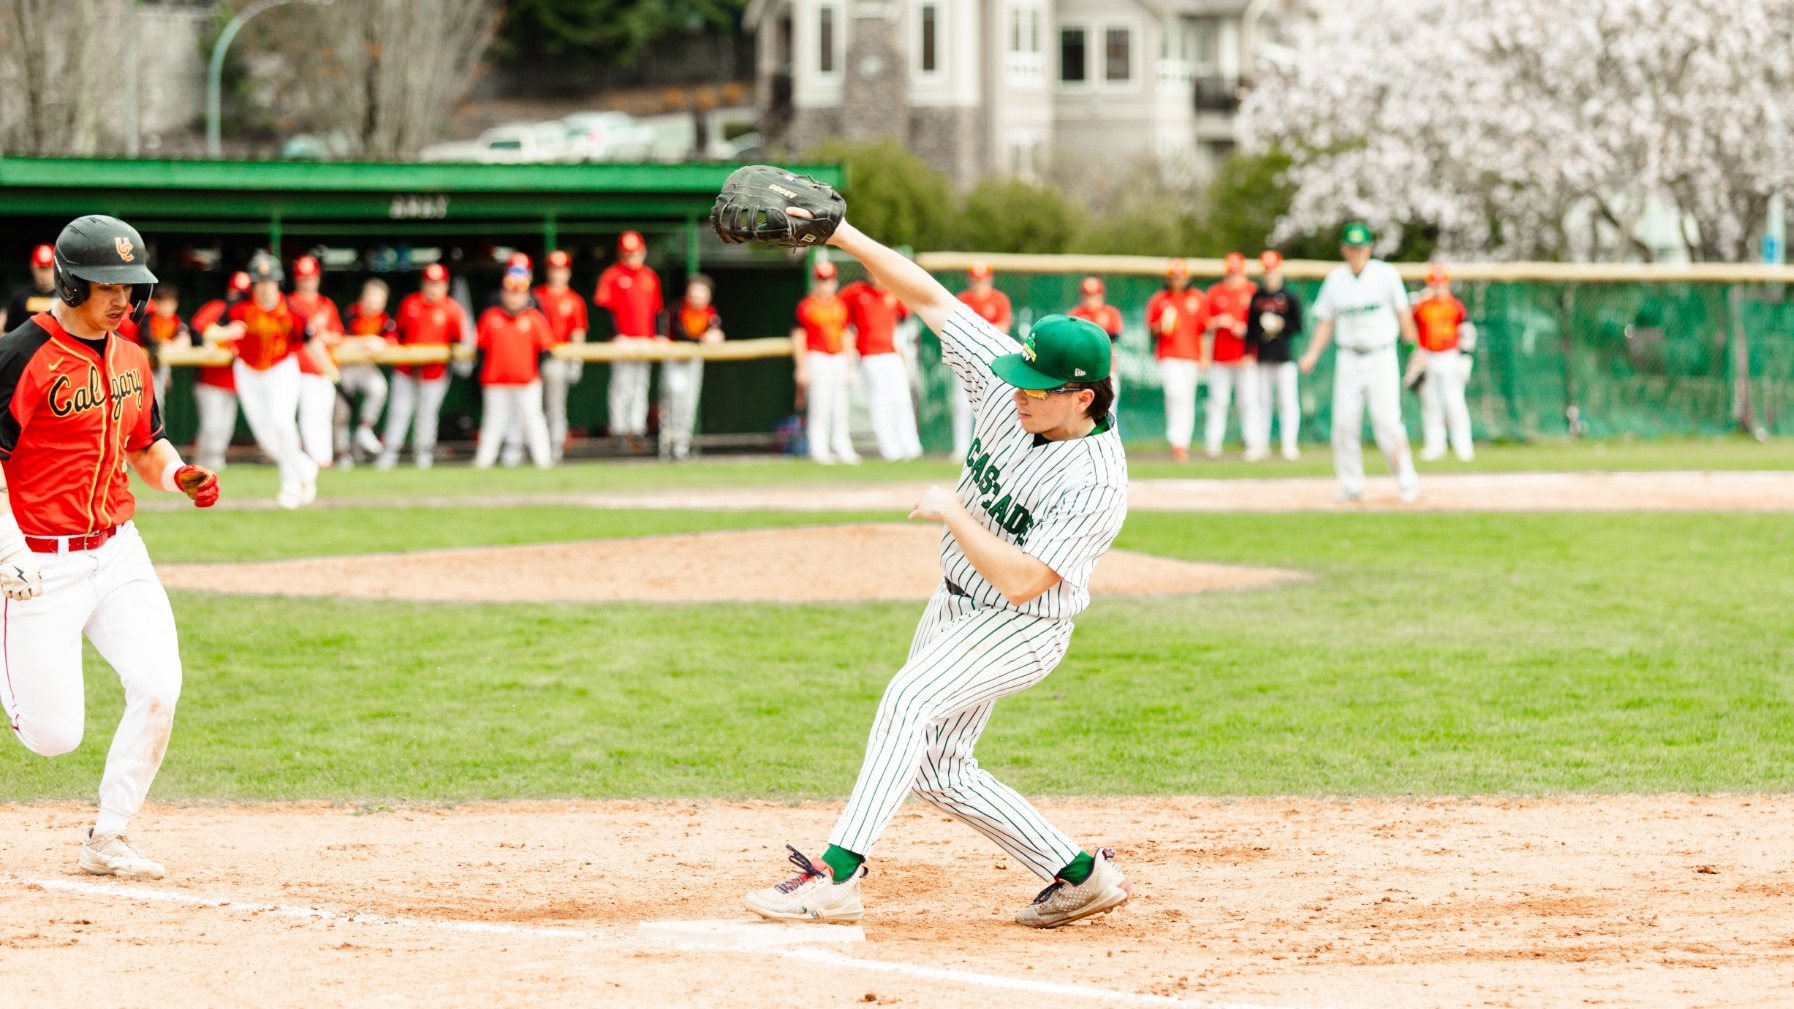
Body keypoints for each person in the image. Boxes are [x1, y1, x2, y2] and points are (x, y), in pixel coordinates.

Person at [739, 203, 1133, 930]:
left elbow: (1025, 581)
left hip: (1022, 623)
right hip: (954, 603)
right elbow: (928, 296)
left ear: (1082, 397)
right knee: (939, 770)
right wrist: (842, 235)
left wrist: (955, 512)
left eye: (1036, 387)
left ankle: (836, 874)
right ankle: (1079, 875)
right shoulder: (1014, 383)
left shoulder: (1096, 481)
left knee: (908, 700)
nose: (1017, 390)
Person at [0, 214, 220, 880]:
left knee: (158, 684)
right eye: (108, 285)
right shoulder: (20, 355)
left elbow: (145, 445)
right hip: (37, 562)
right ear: (70, 284)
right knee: (53, 736)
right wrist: (7, 548)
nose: (124, 298)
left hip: (118, 550)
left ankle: (110, 832)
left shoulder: (131, 358)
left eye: (130, 285)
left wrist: (177, 474)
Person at [1298, 222, 1421, 503]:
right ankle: (1352, 484)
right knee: (1344, 424)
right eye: (1352, 248)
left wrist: (1414, 349)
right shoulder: (1335, 280)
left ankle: (1406, 481)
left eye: (1361, 247)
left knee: (1387, 421)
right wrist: (1312, 353)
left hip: (1381, 355)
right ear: (1344, 249)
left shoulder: (1386, 275)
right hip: (1349, 357)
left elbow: (1403, 314)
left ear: (1370, 248)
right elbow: (1326, 321)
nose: (1357, 253)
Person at [224, 252, 322, 509]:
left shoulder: (291, 310)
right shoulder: (239, 308)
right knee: (267, 439)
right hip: (248, 370)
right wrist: (224, 332)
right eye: (260, 282)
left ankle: (290, 485)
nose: (265, 287)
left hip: (281, 368)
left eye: (269, 281)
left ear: (278, 282)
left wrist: (329, 370)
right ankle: (305, 467)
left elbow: (310, 341)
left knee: (282, 422)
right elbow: (209, 331)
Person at [379, 263, 467, 470]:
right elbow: (396, 332)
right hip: (406, 369)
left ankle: (423, 460)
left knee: (427, 415)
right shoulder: (410, 303)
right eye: (430, 283)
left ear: (445, 285)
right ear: (423, 284)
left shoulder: (453, 309)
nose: (433, 288)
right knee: (399, 413)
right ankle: (388, 458)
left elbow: (458, 341)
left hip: (434, 372)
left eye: (438, 284)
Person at [472, 263, 554, 469]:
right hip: (495, 381)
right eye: (510, 293)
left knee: (534, 420)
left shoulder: (535, 318)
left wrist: (531, 372)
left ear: (526, 295)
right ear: (503, 293)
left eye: (518, 293)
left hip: (527, 381)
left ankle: (544, 462)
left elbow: (545, 351)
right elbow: (480, 350)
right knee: (493, 422)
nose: (514, 298)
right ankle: (483, 463)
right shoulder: (490, 317)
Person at [842, 270, 923, 461]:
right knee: (880, 402)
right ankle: (890, 450)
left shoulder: (892, 292)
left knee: (902, 400)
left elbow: (905, 314)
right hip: (869, 355)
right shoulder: (856, 292)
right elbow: (840, 313)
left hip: (892, 353)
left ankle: (911, 448)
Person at [593, 231, 664, 449]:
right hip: (622, 341)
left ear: (642, 252)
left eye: (634, 253)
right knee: (621, 385)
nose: (631, 257)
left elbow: (657, 310)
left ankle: (637, 429)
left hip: (645, 339)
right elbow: (606, 309)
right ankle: (618, 429)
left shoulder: (650, 276)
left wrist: (658, 335)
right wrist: (616, 335)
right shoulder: (611, 275)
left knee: (640, 385)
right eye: (627, 253)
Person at [791, 260, 858, 464]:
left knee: (840, 405)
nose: (825, 284)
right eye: (821, 279)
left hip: (839, 358)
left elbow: (847, 333)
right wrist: (801, 367)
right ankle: (818, 448)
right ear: (815, 281)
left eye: (828, 279)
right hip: (817, 357)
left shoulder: (841, 304)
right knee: (819, 404)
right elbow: (798, 336)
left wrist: (849, 364)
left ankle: (841, 445)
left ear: (835, 281)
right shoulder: (806, 305)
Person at [1245, 251, 1306, 461]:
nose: (1270, 276)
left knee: (1288, 401)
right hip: (1262, 358)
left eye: (1273, 271)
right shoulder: (1257, 297)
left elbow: (1299, 325)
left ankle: (1289, 444)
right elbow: (1250, 328)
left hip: (1284, 358)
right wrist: (1248, 353)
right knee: (1261, 401)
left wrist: (1282, 324)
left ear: (1279, 272)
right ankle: (1260, 444)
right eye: (1267, 272)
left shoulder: (1289, 296)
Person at [1201, 253, 1262, 460]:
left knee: (1249, 401)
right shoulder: (1215, 292)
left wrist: (1245, 330)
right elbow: (1204, 323)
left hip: (1246, 356)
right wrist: (1220, 321)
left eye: (1237, 273)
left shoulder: (1253, 291)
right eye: (1231, 273)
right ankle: (1213, 443)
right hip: (1220, 357)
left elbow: (1261, 324)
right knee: (1218, 400)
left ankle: (1253, 442)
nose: (1234, 277)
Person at [1411, 262, 1475, 462]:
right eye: (1434, 284)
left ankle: (1463, 446)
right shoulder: (1422, 306)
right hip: (1428, 356)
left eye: (1441, 284)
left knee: (1454, 402)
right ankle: (1435, 446)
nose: (1438, 288)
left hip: (1449, 356)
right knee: (1431, 404)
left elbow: (1467, 332)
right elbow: (1409, 326)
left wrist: (1465, 357)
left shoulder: (1455, 306)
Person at [286, 255, 344, 470]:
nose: (307, 283)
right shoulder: (289, 304)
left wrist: (324, 336)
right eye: (303, 278)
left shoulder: (326, 304)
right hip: (300, 369)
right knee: (308, 416)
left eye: (310, 278)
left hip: (325, 368)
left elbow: (339, 335)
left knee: (324, 416)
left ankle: (324, 458)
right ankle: (314, 459)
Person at [1146, 258, 1207, 462]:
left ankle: (1182, 443)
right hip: (1168, 354)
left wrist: (1204, 356)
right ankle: (1175, 440)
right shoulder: (1159, 299)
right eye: (1174, 277)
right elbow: (1152, 329)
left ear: (1187, 278)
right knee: (1174, 394)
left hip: (1191, 356)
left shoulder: (1198, 298)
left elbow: (1203, 330)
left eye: (1181, 277)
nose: (1178, 280)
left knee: (1187, 398)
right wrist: (1162, 324)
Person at [188, 271, 249, 471]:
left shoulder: (249, 313)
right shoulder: (217, 308)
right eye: (236, 292)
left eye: (243, 294)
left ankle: (216, 465)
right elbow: (196, 332)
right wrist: (212, 342)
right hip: (210, 380)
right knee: (211, 426)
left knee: (225, 428)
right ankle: (201, 465)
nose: (238, 297)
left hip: (234, 381)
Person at [531, 249, 588, 462]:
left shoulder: (574, 300)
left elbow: (578, 333)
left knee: (555, 406)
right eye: (553, 269)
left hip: (557, 359)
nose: (557, 274)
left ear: (568, 272)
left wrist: (577, 361)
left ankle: (555, 448)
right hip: (533, 358)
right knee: (530, 407)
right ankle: (528, 449)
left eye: (561, 270)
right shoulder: (535, 295)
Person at [662, 273, 723, 461]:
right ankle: (665, 448)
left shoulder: (710, 312)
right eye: (693, 292)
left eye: (701, 293)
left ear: (708, 296)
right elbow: (681, 334)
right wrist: (703, 339)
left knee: (688, 404)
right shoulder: (678, 308)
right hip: (675, 359)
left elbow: (715, 333)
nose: (696, 296)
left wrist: (714, 336)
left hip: (694, 360)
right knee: (673, 402)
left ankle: (682, 448)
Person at [954, 262, 1013, 458]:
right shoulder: (962, 299)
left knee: (994, 404)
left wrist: (976, 332)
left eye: (982, 280)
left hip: (993, 359)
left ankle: (993, 449)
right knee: (962, 405)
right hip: (966, 357)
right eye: (976, 280)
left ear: (989, 280)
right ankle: (961, 449)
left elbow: (1003, 326)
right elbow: (957, 329)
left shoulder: (999, 299)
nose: (979, 284)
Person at [336, 278, 395, 468]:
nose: (374, 305)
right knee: (341, 413)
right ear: (363, 298)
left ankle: (364, 428)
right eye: (371, 300)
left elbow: (392, 339)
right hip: (345, 367)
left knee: (379, 388)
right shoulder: (352, 314)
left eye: (379, 301)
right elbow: (339, 339)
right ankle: (343, 453)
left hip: (365, 367)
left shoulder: (384, 319)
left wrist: (382, 343)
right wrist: (366, 340)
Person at [139, 285, 191, 405]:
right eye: (162, 303)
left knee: (157, 401)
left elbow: (185, 338)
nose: (166, 307)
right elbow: (148, 339)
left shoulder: (176, 320)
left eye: (169, 304)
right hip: (145, 364)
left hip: (161, 365)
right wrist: (164, 343)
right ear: (156, 303)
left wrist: (173, 343)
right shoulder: (148, 319)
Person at [0, 243, 57, 332]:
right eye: (41, 268)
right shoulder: (20, 296)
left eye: (49, 268)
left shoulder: (66, 297)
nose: (44, 273)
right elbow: (6, 329)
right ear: (33, 267)